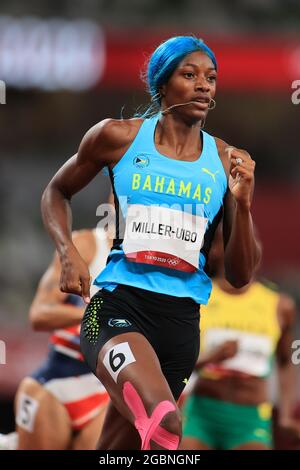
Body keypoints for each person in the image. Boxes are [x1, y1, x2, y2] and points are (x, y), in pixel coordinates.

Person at [41, 35, 260, 450]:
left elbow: (240, 274)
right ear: (162, 83)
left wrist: (243, 205)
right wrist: (67, 252)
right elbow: (55, 191)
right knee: (165, 426)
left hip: (180, 328)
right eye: (190, 75)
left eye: (211, 78)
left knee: (117, 450)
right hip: (116, 309)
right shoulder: (117, 138)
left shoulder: (228, 161)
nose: (203, 86)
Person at [181, 227, 299, 450]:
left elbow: (287, 362)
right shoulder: (197, 299)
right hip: (201, 416)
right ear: (215, 250)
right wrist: (210, 358)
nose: (247, 245)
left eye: (253, 239)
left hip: (250, 420)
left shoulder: (280, 306)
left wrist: (285, 414)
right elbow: (175, 364)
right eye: (232, 240)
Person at [11, 228, 111, 450]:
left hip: (105, 390)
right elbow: (39, 314)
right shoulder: (87, 244)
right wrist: (98, 313)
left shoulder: (150, 262)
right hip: (55, 384)